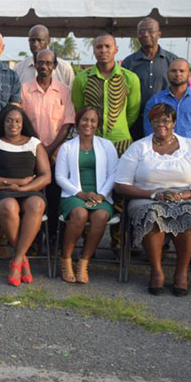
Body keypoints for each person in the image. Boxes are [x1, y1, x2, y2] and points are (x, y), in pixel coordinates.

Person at [114, 104, 191, 296]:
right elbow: (121, 184)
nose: (161, 124)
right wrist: (152, 195)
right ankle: (157, 271)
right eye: (156, 120)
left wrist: (183, 195)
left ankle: (181, 272)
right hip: (146, 197)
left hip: (184, 196)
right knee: (152, 213)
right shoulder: (138, 148)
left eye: (166, 120)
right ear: (150, 123)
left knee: (189, 213)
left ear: (174, 123)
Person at [0, 105, 51, 286]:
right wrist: (19, 183)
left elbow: (46, 176)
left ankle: (18, 259)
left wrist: (25, 188)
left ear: (23, 124)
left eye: (17, 121)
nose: (13, 124)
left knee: (36, 205)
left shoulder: (34, 143)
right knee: (10, 206)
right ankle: (23, 260)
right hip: (1, 193)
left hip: (30, 190)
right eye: (9, 120)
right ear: (2, 123)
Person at [55, 106, 117, 284]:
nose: (88, 123)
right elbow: (59, 176)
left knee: (101, 215)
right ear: (77, 121)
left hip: (101, 195)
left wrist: (102, 195)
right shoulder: (67, 147)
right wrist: (80, 193)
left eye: (92, 120)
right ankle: (66, 259)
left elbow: (114, 173)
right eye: (84, 119)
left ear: (97, 124)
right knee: (80, 214)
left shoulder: (107, 146)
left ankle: (83, 262)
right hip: (73, 194)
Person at [21, 48, 75, 237]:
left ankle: (53, 240)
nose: (44, 66)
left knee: (54, 199)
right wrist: (39, 149)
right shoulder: (25, 89)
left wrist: (49, 150)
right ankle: (33, 241)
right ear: (34, 64)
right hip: (30, 154)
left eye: (48, 63)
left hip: (56, 156)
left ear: (54, 66)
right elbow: (23, 123)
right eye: (40, 62)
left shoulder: (64, 90)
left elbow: (67, 123)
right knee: (33, 198)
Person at [72, 34, 141, 156]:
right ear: (94, 50)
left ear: (116, 49)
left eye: (107, 46)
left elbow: (133, 111)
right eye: (99, 47)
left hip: (121, 141)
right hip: (91, 140)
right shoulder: (82, 78)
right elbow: (78, 108)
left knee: (121, 174)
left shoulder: (129, 78)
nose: (103, 50)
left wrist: (119, 125)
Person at [121, 17, 178, 140]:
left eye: (150, 31)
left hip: (164, 123)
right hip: (136, 123)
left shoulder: (172, 61)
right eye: (141, 31)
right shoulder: (129, 63)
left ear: (159, 34)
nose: (146, 35)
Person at [143, 58, 191, 148]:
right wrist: (161, 148)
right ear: (167, 73)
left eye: (182, 71)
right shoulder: (155, 101)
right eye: (173, 71)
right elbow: (148, 128)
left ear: (189, 74)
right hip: (161, 154)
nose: (177, 74)